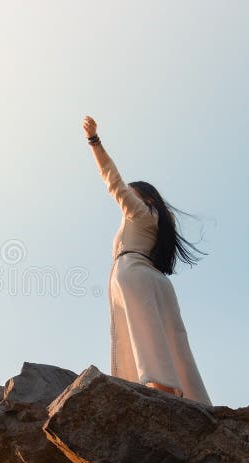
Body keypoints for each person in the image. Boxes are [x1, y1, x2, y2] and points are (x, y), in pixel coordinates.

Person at [82, 115, 213, 406]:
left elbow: (111, 179)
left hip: (135, 274)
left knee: (145, 335)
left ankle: (160, 393)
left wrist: (94, 141)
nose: (126, 197)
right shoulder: (157, 221)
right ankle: (188, 397)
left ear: (145, 198)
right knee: (172, 339)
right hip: (156, 280)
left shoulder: (139, 213)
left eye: (132, 193)